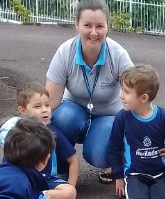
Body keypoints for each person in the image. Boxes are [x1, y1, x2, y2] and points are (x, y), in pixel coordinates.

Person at [45, 0, 134, 183]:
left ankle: (110, 163)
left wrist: (149, 134)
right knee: (63, 117)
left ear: (107, 28)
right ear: (76, 25)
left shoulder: (118, 55)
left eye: (99, 26)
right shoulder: (65, 52)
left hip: (108, 115)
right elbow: (49, 102)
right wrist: (28, 131)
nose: (94, 32)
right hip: (74, 109)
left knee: (99, 153)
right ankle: (60, 169)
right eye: (87, 25)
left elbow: (137, 96)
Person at [107, 64, 165, 199]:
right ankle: (135, 193)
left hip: (160, 173)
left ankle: (154, 194)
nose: (121, 95)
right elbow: (114, 148)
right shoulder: (122, 118)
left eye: (126, 92)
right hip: (135, 173)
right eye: (122, 90)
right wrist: (118, 177)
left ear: (144, 98)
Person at [0, 82, 79, 199]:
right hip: (19, 178)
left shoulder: (54, 133)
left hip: (46, 180)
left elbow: (73, 160)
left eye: (47, 105)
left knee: (70, 192)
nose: (44, 109)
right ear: (22, 110)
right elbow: (6, 163)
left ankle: (37, 197)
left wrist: (71, 185)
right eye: (37, 106)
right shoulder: (17, 132)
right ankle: (32, 197)